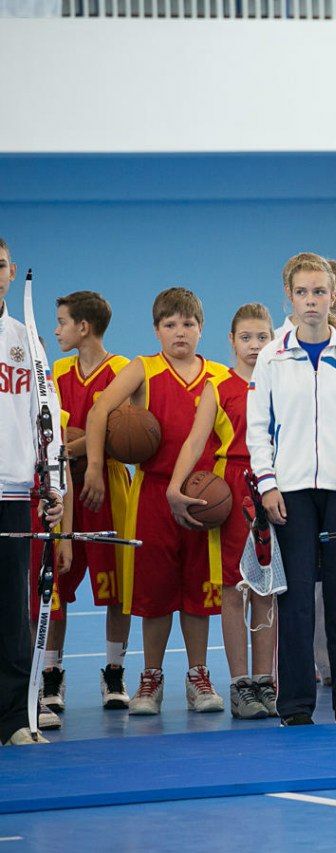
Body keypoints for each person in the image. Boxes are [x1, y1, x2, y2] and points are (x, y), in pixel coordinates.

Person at [246, 252, 336, 724]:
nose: (310, 300)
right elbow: (257, 428)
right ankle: (296, 704)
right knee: (296, 599)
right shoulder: (273, 355)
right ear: (289, 295)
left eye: (319, 291)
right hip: (291, 492)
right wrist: (267, 484)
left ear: (333, 296)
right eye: (302, 292)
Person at [82, 287, 229, 715]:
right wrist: (95, 466)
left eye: (188, 324)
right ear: (156, 330)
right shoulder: (142, 368)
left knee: (199, 592)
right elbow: (99, 412)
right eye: (170, 325)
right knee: (154, 592)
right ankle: (151, 678)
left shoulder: (218, 376)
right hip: (152, 493)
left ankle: (199, 676)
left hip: (203, 496)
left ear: (202, 329)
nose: (179, 332)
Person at [166, 303, 278, 719]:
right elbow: (195, 441)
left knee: (268, 589)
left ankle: (265, 681)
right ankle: (239, 685)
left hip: (275, 485)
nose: (254, 345)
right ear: (231, 340)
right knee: (235, 589)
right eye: (246, 337)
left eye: (262, 337)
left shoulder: (281, 381)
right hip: (232, 488)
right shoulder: (218, 386)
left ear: (273, 340)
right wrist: (175, 487)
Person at [34, 291, 132, 727]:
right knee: (55, 586)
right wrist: (89, 439)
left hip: (109, 487)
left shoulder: (122, 369)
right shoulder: (55, 371)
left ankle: (114, 672)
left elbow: (120, 435)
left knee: (117, 590)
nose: (57, 330)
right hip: (63, 487)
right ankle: (51, 675)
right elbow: (58, 434)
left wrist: (82, 439)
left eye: (62, 322)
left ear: (84, 327)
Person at [0, 237, 67, 746]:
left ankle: (14, 719)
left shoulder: (26, 342)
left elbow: (46, 418)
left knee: (11, 610)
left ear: (11, 270)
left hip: (11, 491)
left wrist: (53, 484)